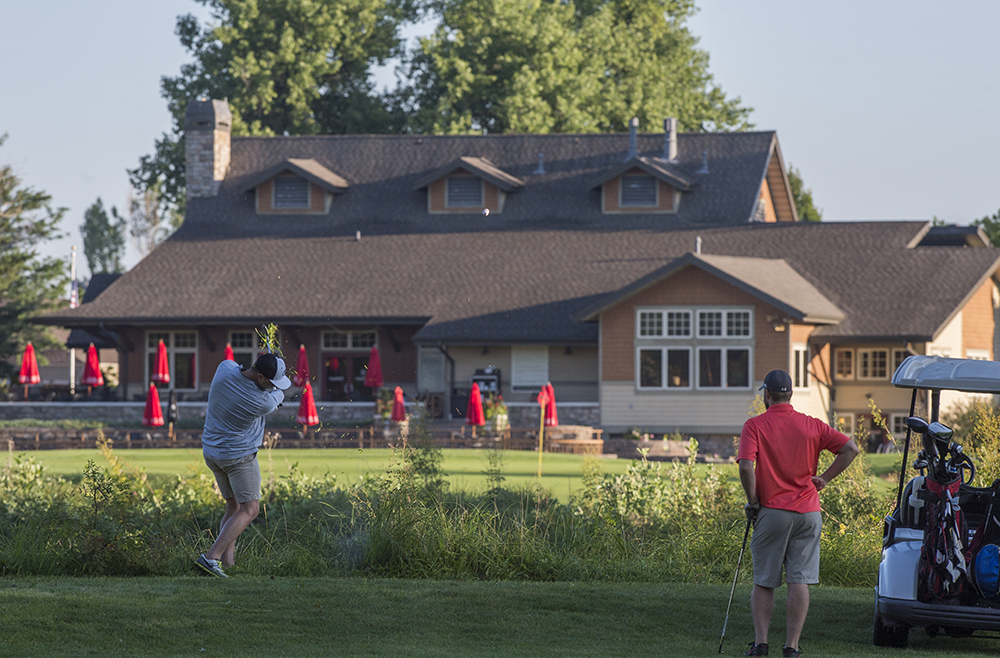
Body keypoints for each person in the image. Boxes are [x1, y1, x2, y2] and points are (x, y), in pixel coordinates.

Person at [738, 370, 859, 657]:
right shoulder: (812, 425)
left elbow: (745, 467)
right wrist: (825, 478)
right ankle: (791, 646)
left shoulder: (755, 425)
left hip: (774, 511)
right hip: (808, 512)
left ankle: (761, 644)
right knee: (799, 579)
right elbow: (850, 449)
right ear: (790, 394)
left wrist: (753, 500)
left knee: (765, 580)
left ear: (767, 394)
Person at [195, 353, 290, 578]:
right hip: (238, 457)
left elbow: (237, 367)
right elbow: (278, 395)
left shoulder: (223, 369)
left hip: (212, 452)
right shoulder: (262, 402)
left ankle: (228, 565)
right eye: (271, 381)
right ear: (260, 377)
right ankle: (210, 558)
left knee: (233, 507)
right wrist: (276, 389)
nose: (274, 386)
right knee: (251, 509)